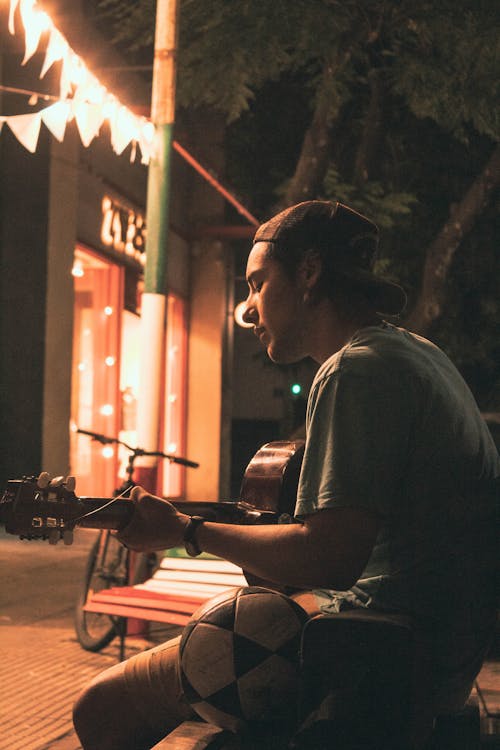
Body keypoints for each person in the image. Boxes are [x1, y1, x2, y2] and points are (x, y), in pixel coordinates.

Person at [73, 200, 499, 750]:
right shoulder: (417, 354)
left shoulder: (355, 370)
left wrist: (185, 532)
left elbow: (330, 558)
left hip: (374, 647)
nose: (247, 309)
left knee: (100, 708)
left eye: (256, 284)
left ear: (309, 273)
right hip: (438, 647)